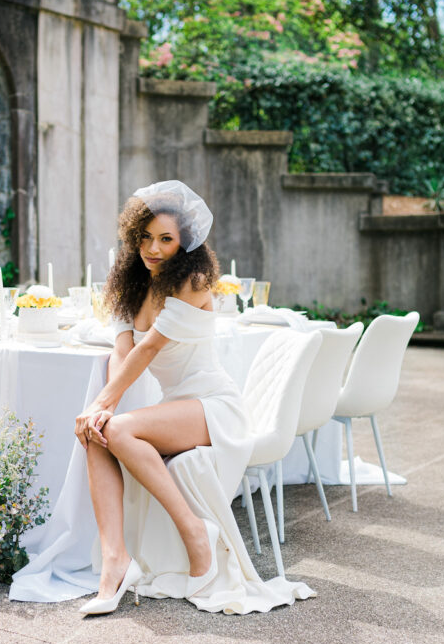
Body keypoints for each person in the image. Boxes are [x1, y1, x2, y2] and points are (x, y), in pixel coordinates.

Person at [74, 180, 315, 616]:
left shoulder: (195, 281)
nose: (152, 247)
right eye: (145, 237)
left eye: (165, 239)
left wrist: (100, 405)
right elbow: (123, 350)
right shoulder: (133, 284)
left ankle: (196, 535)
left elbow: (148, 350)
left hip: (213, 406)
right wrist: (101, 408)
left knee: (112, 424)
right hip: (176, 407)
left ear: (185, 242)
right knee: (97, 434)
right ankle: (115, 561)